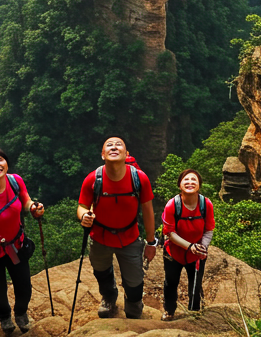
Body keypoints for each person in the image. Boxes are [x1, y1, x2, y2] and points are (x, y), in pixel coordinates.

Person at [76, 136, 156, 319]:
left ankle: (133, 305)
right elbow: (82, 206)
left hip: (130, 238)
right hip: (100, 238)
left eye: (118, 144)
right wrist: (84, 215)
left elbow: (148, 212)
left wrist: (151, 243)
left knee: (135, 282)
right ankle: (109, 297)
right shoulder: (93, 179)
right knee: (101, 272)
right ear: (103, 155)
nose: (114, 147)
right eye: (109, 145)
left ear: (126, 154)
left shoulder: (139, 178)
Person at [0, 146, 46, 334]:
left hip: (16, 247)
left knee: (24, 287)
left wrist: (33, 207)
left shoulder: (15, 181)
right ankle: (4, 316)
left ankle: (21, 313)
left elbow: (26, 201)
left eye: (0, 159)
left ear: (7, 163)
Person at [160, 168, 215, 321]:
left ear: (199, 185)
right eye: (186, 180)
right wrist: (190, 246)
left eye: (194, 180)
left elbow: (209, 229)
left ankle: (194, 313)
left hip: (196, 253)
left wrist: (202, 247)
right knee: (171, 282)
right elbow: (169, 233)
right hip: (174, 252)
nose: (190, 182)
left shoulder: (206, 204)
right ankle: (169, 311)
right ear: (180, 185)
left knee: (195, 283)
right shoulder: (172, 205)